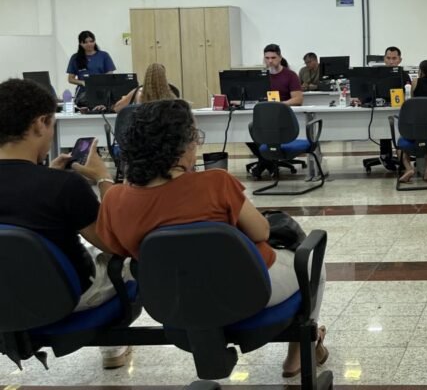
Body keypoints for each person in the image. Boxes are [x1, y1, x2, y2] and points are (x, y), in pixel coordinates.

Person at [95, 100, 328, 378]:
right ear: (183, 144)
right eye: (195, 136)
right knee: (312, 262)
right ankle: (297, 353)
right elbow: (262, 232)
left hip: (172, 301)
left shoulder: (115, 199)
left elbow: (117, 248)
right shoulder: (216, 183)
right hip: (247, 292)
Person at [0, 79, 130, 369]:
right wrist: (103, 178)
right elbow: (116, 241)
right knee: (132, 263)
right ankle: (114, 348)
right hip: (63, 297)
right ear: (40, 123)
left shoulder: (56, 183)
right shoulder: (62, 186)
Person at [112, 63, 179, 112]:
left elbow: (117, 108)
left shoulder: (138, 92)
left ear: (147, 75)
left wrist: (125, 99)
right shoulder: (172, 93)